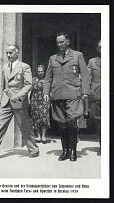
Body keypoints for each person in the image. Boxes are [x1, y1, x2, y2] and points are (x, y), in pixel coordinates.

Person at [0, 45, 39, 159]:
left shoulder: (24, 67)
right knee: (0, 125)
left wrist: (18, 95)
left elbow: (28, 85)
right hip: (6, 101)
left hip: (19, 101)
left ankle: (34, 150)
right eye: (7, 53)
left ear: (17, 53)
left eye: (11, 53)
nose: (8, 55)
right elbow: (3, 85)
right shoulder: (5, 67)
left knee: (25, 126)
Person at [43, 33, 90, 161]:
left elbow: (85, 75)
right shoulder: (53, 58)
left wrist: (85, 91)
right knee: (62, 123)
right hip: (58, 94)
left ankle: (73, 150)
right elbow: (48, 78)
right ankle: (65, 151)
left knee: (71, 122)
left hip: (73, 93)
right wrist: (46, 93)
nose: (59, 45)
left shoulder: (77, 55)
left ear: (67, 42)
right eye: (57, 42)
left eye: (62, 42)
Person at [30, 65, 50, 144]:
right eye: (39, 71)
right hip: (35, 100)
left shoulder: (47, 81)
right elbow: (30, 90)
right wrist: (28, 98)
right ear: (37, 72)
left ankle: (44, 136)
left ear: (44, 72)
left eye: (42, 71)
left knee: (44, 117)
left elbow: (50, 91)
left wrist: (49, 100)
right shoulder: (33, 80)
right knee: (36, 117)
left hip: (44, 100)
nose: (40, 73)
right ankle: (38, 136)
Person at [87, 39, 101, 156]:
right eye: (100, 47)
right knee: (99, 121)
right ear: (97, 49)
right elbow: (88, 79)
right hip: (97, 95)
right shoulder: (92, 62)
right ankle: (103, 146)